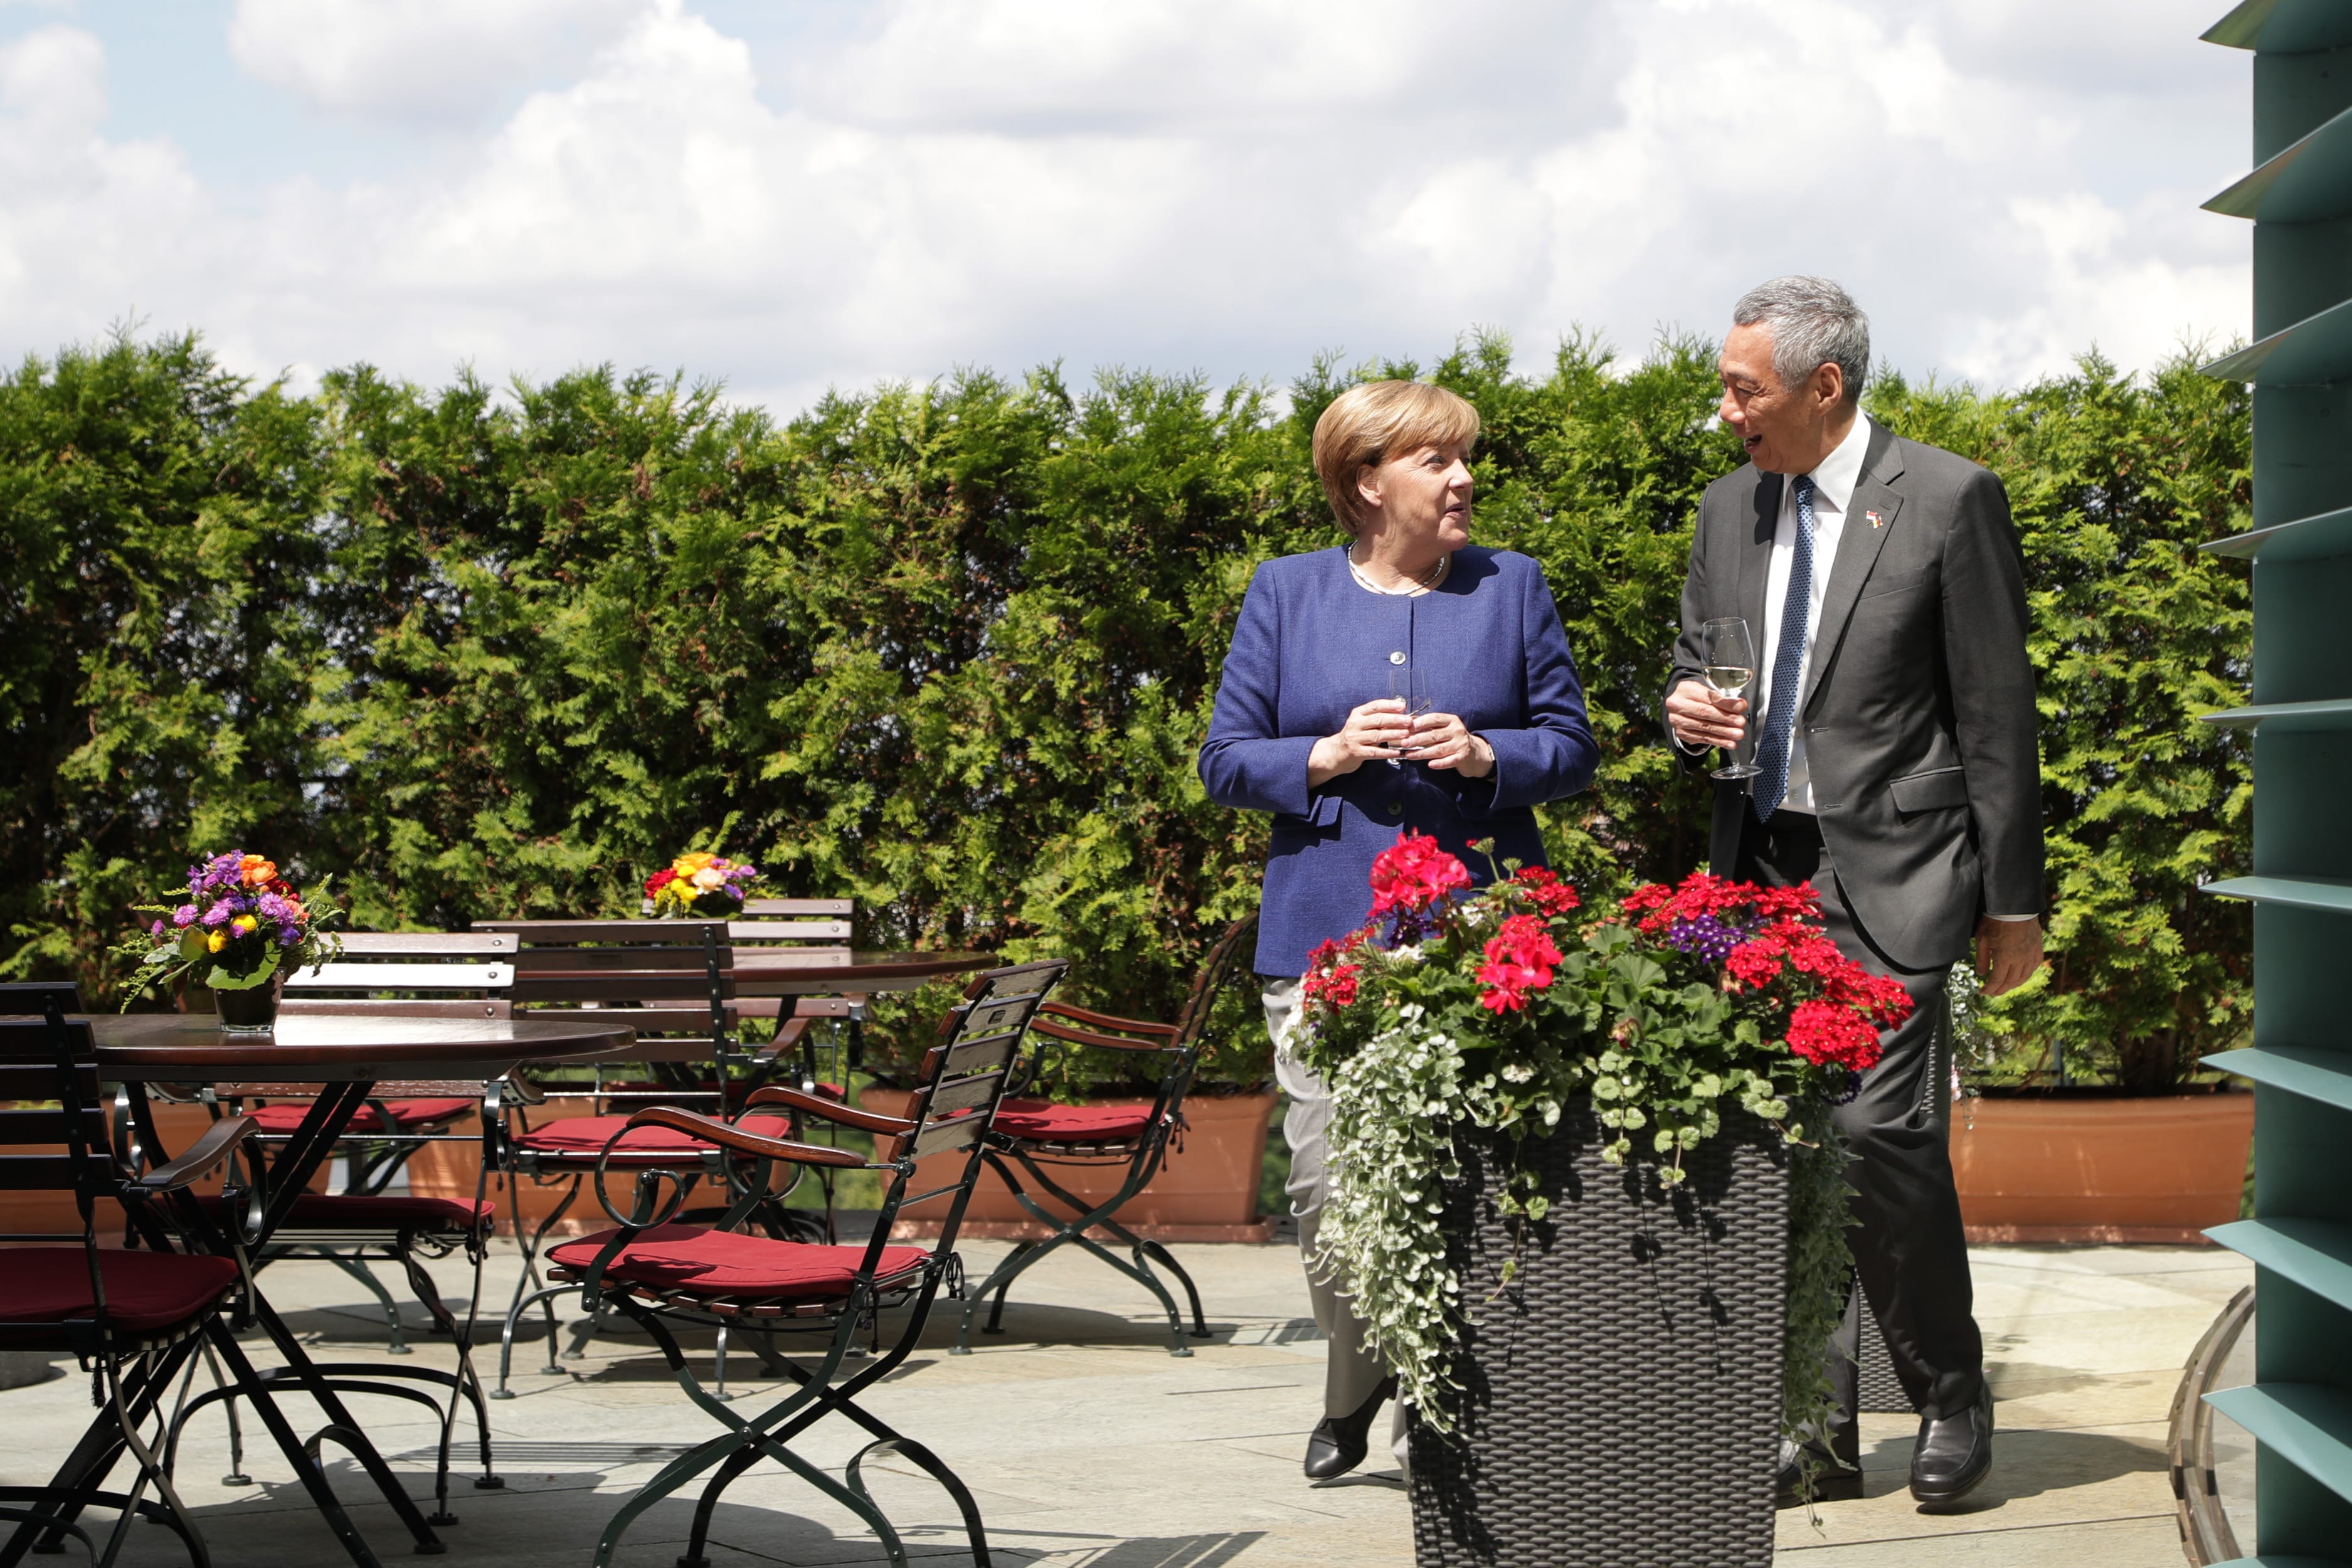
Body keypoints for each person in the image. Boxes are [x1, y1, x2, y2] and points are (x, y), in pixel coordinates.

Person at [1665, 277, 2044, 1508]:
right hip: (1758, 872)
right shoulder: (1727, 508)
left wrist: (2017, 900)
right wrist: (1684, 712)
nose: (1724, 409)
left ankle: (1946, 1384)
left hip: (1897, 871)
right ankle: (1810, 1424)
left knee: (1877, 1130)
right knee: (1777, 1138)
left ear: (1824, 387)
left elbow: (1996, 714)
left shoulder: (1945, 498)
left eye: (1743, 387)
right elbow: (1695, 665)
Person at [1198, 379, 1598, 1481]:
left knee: (1476, 1174)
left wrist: (1488, 757)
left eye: (1465, 459)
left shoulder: (1511, 587)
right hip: (1327, 937)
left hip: (1485, 939)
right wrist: (1320, 757)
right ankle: (1355, 1378)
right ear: (1367, 481)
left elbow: (1571, 746)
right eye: (1437, 461)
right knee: (1328, 1186)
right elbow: (1224, 761)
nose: (1465, 479)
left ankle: (1446, 1401)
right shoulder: (1283, 594)